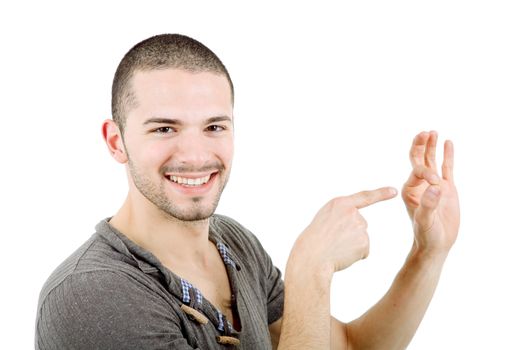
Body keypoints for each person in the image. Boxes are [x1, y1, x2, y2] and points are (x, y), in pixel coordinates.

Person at [35, 33, 460, 349]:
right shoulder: (89, 296)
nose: (196, 155)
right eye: (165, 128)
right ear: (116, 141)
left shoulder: (233, 244)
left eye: (214, 127)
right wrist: (311, 271)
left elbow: (351, 346)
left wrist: (428, 253)